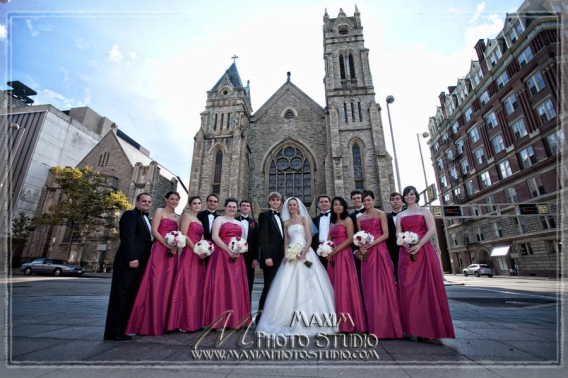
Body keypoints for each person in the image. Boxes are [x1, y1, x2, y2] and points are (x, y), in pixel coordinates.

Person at [256, 197, 338, 336]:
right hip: (290, 256)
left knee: (311, 283)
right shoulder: (286, 223)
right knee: (285, 285)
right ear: (287, 207)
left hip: (305, 254)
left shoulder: (304, 220)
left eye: (294, 205)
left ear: (298, 206)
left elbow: (309, 238)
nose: (292, 207)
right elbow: (286, 241)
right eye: (290, 205)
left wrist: (303, 252)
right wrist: (287, 254)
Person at [397, 186, 455, 339]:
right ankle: (413, 327)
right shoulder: (401, 215)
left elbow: (431, 230)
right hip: (406, 254)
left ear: (416, 196)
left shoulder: (424, 211)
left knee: (427, 289)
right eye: (406, 195)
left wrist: (419, 244)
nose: (409, 197)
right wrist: (405, 243)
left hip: (424, 252)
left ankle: (431, 329)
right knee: (409, 290)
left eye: (412, 194)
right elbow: (398, 232)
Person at [125, 191, 181, 336]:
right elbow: (155, 231)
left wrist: (175, 246)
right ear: (166, 199)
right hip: (159, 250)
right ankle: (149, 323)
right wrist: (167, 244)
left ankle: (164, 323)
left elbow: (179, 235)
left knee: (168, 285)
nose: (174, 201)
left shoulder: (178, 218)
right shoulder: (159, 211)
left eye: (176, 199)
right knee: (155, 283)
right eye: (172, 199)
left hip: (172, 253)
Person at [104, 193, 153, 341]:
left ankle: (122, 328)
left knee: (130, 296)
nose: (146, 203)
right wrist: (132, 257)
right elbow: (127, 237)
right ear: (137, 202)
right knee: (120, 296)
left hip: (140, 264)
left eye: (149, 202)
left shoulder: (146, 219)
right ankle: (113, 332)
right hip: (128, 262)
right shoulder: (130, 215)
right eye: (143, 201)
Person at [357, 190, 403, 338]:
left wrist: (371, 244)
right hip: (367, 255)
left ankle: (389, 326)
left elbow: (386, 234)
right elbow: (359, 237)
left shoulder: (381, 214)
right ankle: (374, 326)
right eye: (364, 201)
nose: (366, 203)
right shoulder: (360, 217)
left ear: (373, 200)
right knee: (369, 288)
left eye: (368, 200)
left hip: (380, 251)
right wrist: (362, 246)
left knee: (384, 286)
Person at [201, 198, 251, 329]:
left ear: (237, 209)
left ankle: (235, 320)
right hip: (221, 256)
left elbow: (243, 239)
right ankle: (218, 321)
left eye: (234, 207)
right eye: (230, 206)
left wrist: (239, 249)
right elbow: (214, 237)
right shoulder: (219, 220)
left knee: (235, 286)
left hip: (236, 257)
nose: (232, 209)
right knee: (220, 285)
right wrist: (228, 250)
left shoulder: (240, 224)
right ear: (225, 207)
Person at [327, 196, 367, 333]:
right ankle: (336, 322)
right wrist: (326, 249)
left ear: (344, 206)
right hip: (333, 256)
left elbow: (351, 238)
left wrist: (336, 250)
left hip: (344, 255)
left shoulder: (348, 220)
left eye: (340, 204)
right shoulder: (332, 222)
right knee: (334, 286)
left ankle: (348, 324)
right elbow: (329, 239)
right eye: (335, 204)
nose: (337, 207)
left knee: (345, 286)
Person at [167, 196, 206, 332]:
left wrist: (204, 250)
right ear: (190, 205)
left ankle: (193, 321)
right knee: (186, 285)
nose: (197, 205)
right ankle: (181, 322)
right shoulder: (187, 217)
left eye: (199, 203)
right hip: (189, 253)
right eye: (194, 203)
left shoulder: (200, 222)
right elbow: (183, 234)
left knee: (196, 287)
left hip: (198, 256)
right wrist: (195, 248)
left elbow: (202, 239)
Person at [257, 192, 284, 322]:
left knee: (279, 287)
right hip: (271, 258)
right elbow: (263, 237)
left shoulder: (283, 216)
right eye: (272, 200)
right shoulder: (264, 215)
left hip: (283, 258)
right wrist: (267, 256)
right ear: (269, 202)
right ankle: (260, 317)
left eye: (277, 200)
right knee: (268, 286)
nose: (275, 202)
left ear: (280, 202)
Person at [237, 199, 259, 301]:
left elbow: (256, 242)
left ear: (250, 208)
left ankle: (247, 303)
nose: (245, 207)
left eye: (247, 206)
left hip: (250, 257)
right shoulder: (234, 221)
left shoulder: (254, 223)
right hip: (236, 255)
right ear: (240, 208)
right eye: (243, 205)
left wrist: (255, 258)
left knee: (249, 281)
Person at [348, 189, 365, 298]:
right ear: (352, 201)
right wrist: (355, 251)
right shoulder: (350, 217)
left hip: (372, 249)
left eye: (358, 198)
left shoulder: (373, 212)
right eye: (354, 199)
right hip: (357, 253)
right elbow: (350, 235)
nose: (357, 200)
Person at [386, 192, 404, 283]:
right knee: (397, 275)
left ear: (402, 201)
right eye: (392, 200)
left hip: (407, 248)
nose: (395, 201)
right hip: (393, 250)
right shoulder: (387, 218)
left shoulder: (407, 215)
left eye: (397, 199)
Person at [311, 195, 332, 269]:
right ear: (318, 204)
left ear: (330, 203)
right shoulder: (314, 220)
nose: (324, 203)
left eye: (326, 201)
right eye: (321, 202)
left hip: (333, 248)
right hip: (318, 249)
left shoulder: (336, 218)